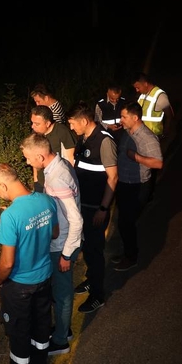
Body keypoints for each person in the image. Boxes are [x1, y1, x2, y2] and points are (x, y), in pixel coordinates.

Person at [0, 163, 59, 364]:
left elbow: (7, 263)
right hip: (44, 276)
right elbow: (55, 233)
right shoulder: (46, 199)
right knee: (41, 323)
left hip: (19, 285)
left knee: (18, 332)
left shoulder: (10, 217)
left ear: (3, 184)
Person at [19, 133, 82, 356]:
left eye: (28, 158)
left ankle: (61, 342)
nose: (27, 162)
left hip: (63, 245)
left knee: (63, 294)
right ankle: (63, 331)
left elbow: (76, 219)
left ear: (40, 155)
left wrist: (66, 254)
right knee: (59, 291)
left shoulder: (57, 178)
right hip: (61, 241)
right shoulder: (59, 165)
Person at [66, 103, 118, 313]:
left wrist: (103, 208)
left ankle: (98, 295)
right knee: (87, 247)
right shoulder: (85, 138)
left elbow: (113, 177)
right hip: (84, 205)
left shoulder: (105, 141)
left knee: (94, 250)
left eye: (72, 123)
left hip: (96, 208)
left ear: (84, 121)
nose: (71, 128)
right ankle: (90, 279)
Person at [113, 101, 163, 272]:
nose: (121, 119)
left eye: (124, 117)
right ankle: (127, 252)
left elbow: (158, 163)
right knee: (123, 222)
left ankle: (131, 257)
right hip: (124, 183)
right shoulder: (128, 131)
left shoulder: (147, 137)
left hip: (138, 186)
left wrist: (136, 157)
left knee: (127, 223)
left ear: (135, 118)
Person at [30, 105, 76, 193]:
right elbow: (34, 159)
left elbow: (70, 159)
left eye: (37, 124)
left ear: (47, 123)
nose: (33, 126)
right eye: (32, 123)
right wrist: (36, 181)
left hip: (58, 183)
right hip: (41, 182)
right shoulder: (35, 133)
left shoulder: (62, 132)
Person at [133, 72, 174, 141]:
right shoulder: (142, 95)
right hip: (140, 135)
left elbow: (170, 115)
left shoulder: (160, 96)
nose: (137, 90)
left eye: (138, 87)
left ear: (145, 84)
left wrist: (165, 133)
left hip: (153, 137)